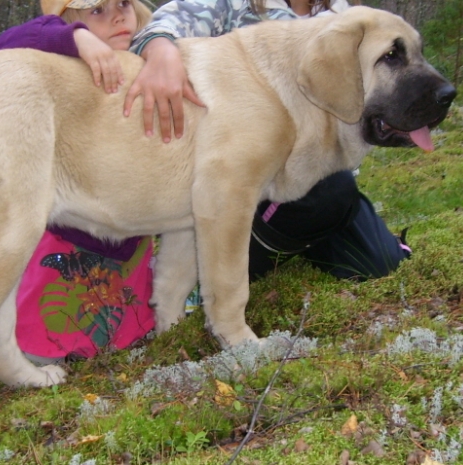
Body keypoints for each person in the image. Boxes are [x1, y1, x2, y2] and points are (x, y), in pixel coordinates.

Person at [123, 0, 412, 287]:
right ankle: (206, 276)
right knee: (329, 194)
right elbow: (160, 27)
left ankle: (285, 242)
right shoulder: (231, 5)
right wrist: (160, 48)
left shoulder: (343, 17)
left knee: (381, 261)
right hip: (234, 181)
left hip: (314, 178)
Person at [0, 0, 156, 364]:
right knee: (44, 347)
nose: (117, 16)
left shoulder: (149, 52)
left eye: (123, 4)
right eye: (96, 10)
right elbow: (0, 48)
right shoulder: (59, 60)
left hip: (131, 235)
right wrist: (77, 40)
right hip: (69, 234)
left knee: (130, 338)